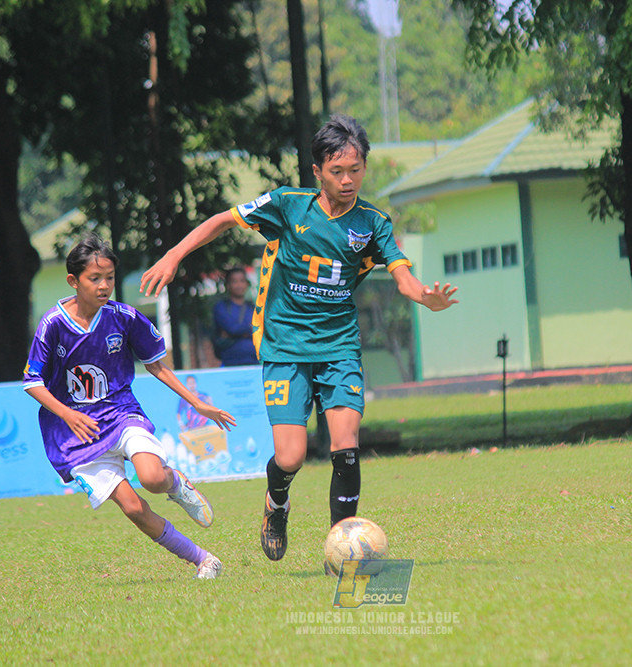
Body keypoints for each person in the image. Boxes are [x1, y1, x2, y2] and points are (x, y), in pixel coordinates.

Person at [140, 114, 458, 570]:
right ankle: (276, 504)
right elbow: (223, 221)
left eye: (356, 170)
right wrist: (173, 255)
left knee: (345, 447)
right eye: (337, 171)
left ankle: (341, 549)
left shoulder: (373, 223)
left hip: (340, 347)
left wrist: (425, 297)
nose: (348, 180)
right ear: (318, 171)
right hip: (286, 347)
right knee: (290, 457)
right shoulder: (289, 205)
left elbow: (405, 280)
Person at [23, 234, 237, 580]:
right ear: (73, 281)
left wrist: (198, 403)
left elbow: (157, 364)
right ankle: (203, 560)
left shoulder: (125, 318)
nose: (104, 285)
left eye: (109, 278)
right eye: (95, 278)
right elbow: (32, 381)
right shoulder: (53, 323)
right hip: (76, 433)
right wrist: (67, 414)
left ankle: (175, 484)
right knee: (134, 508)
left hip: (120, 413)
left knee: (152, 478)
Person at [211, 267, 258, 367]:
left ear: (247, 284)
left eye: (242, 281)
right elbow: (233, 329)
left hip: (254, 363)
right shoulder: (221, 307)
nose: (239, 285)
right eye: (234, 281)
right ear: (228, 285)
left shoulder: (253, 308)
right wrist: (250, 327)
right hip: (230, 364)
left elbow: (260, 331)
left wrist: (236, 332)